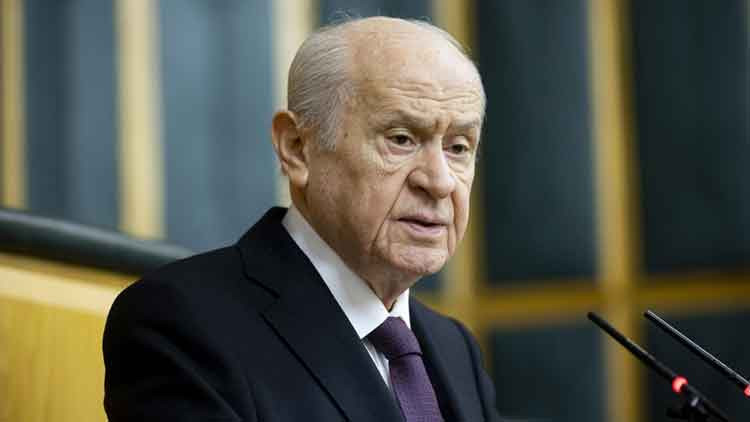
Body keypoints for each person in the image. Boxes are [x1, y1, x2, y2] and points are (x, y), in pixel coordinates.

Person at [103, 16, 503, 422]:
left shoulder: (454, 348)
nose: (439, 181)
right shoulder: (183, 323)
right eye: (401, 139)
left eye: (458, 147)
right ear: (297, 148)